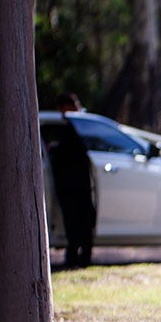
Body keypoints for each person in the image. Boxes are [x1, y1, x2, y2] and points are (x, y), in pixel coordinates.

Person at [48, 92, 96, 269]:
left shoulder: (79, 124)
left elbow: (68, 151)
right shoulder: (76, 124)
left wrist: (54, 149)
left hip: (77, 185)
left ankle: (80, 258)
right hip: (73, 185)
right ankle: (76, 257)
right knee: (76, 223)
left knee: (80, 223)